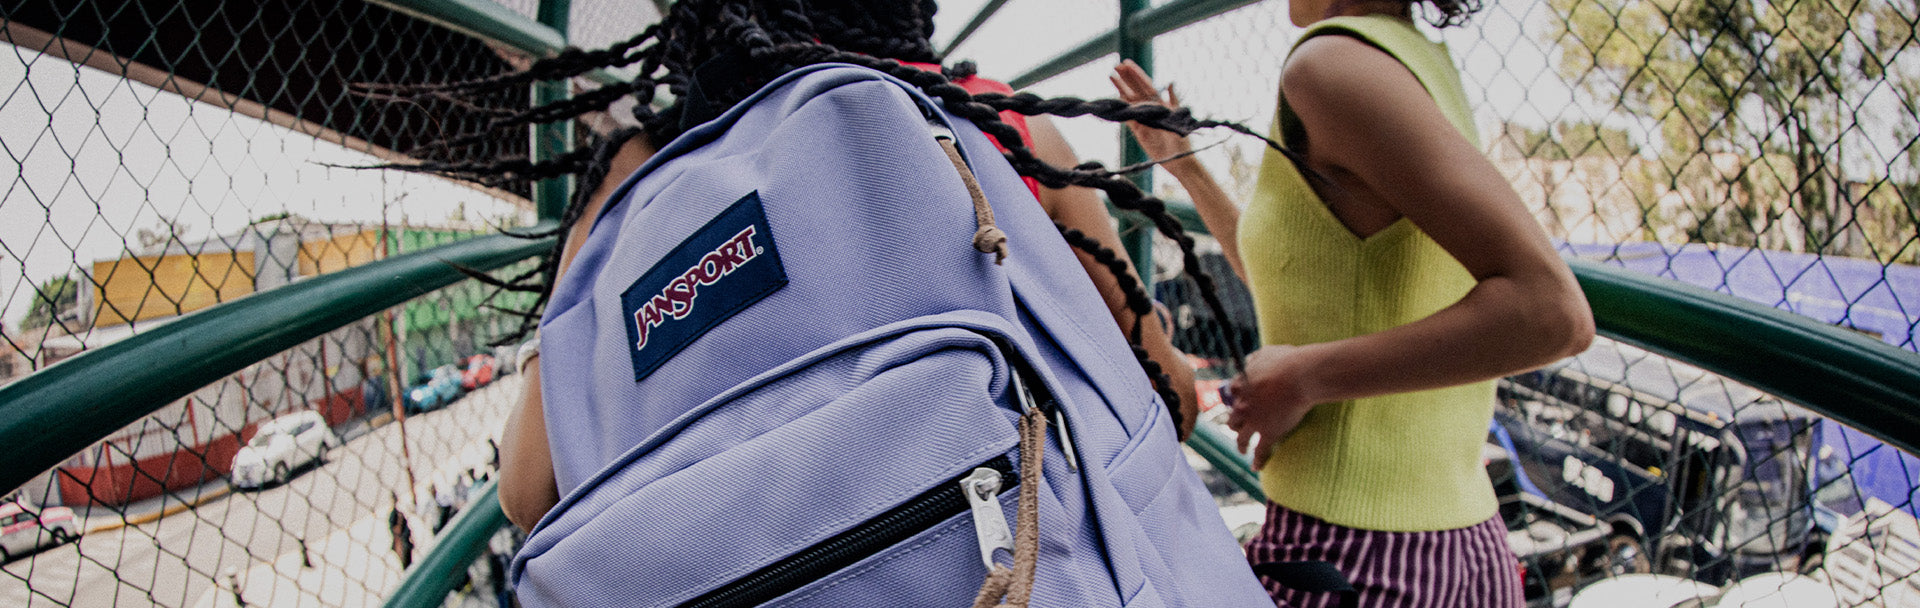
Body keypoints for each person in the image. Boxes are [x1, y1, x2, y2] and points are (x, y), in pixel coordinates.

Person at [362, 0, 1259, 532]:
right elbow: (1168, 403)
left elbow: (529, 494)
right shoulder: (999, 130)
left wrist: (560, 332)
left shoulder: (650, 169)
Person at [1110, 0, 1594, 605]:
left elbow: (1552, 314)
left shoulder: (1328, 66)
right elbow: (1304, 280)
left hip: (1352, 560)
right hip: (1469, 551)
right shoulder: (1411, 59)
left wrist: (1303, 378)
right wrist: (1186, 168)